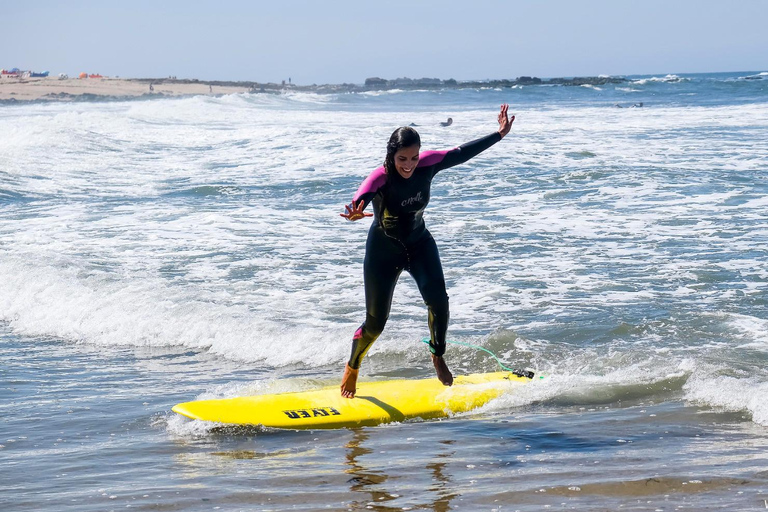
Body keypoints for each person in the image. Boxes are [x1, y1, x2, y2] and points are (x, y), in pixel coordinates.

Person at [339, 104, 516, 398]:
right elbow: (361, 196)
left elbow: (462, 153)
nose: (408, 164)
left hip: (420, 244)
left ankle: (437, 355)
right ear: (391, 156)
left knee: (439, 302)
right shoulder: (380, 178)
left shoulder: (428, 164)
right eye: (401, 159)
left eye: (413, 157)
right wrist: (356, 210)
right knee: (375, 323)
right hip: (384, 253)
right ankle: (353, 366)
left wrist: (499, 134)